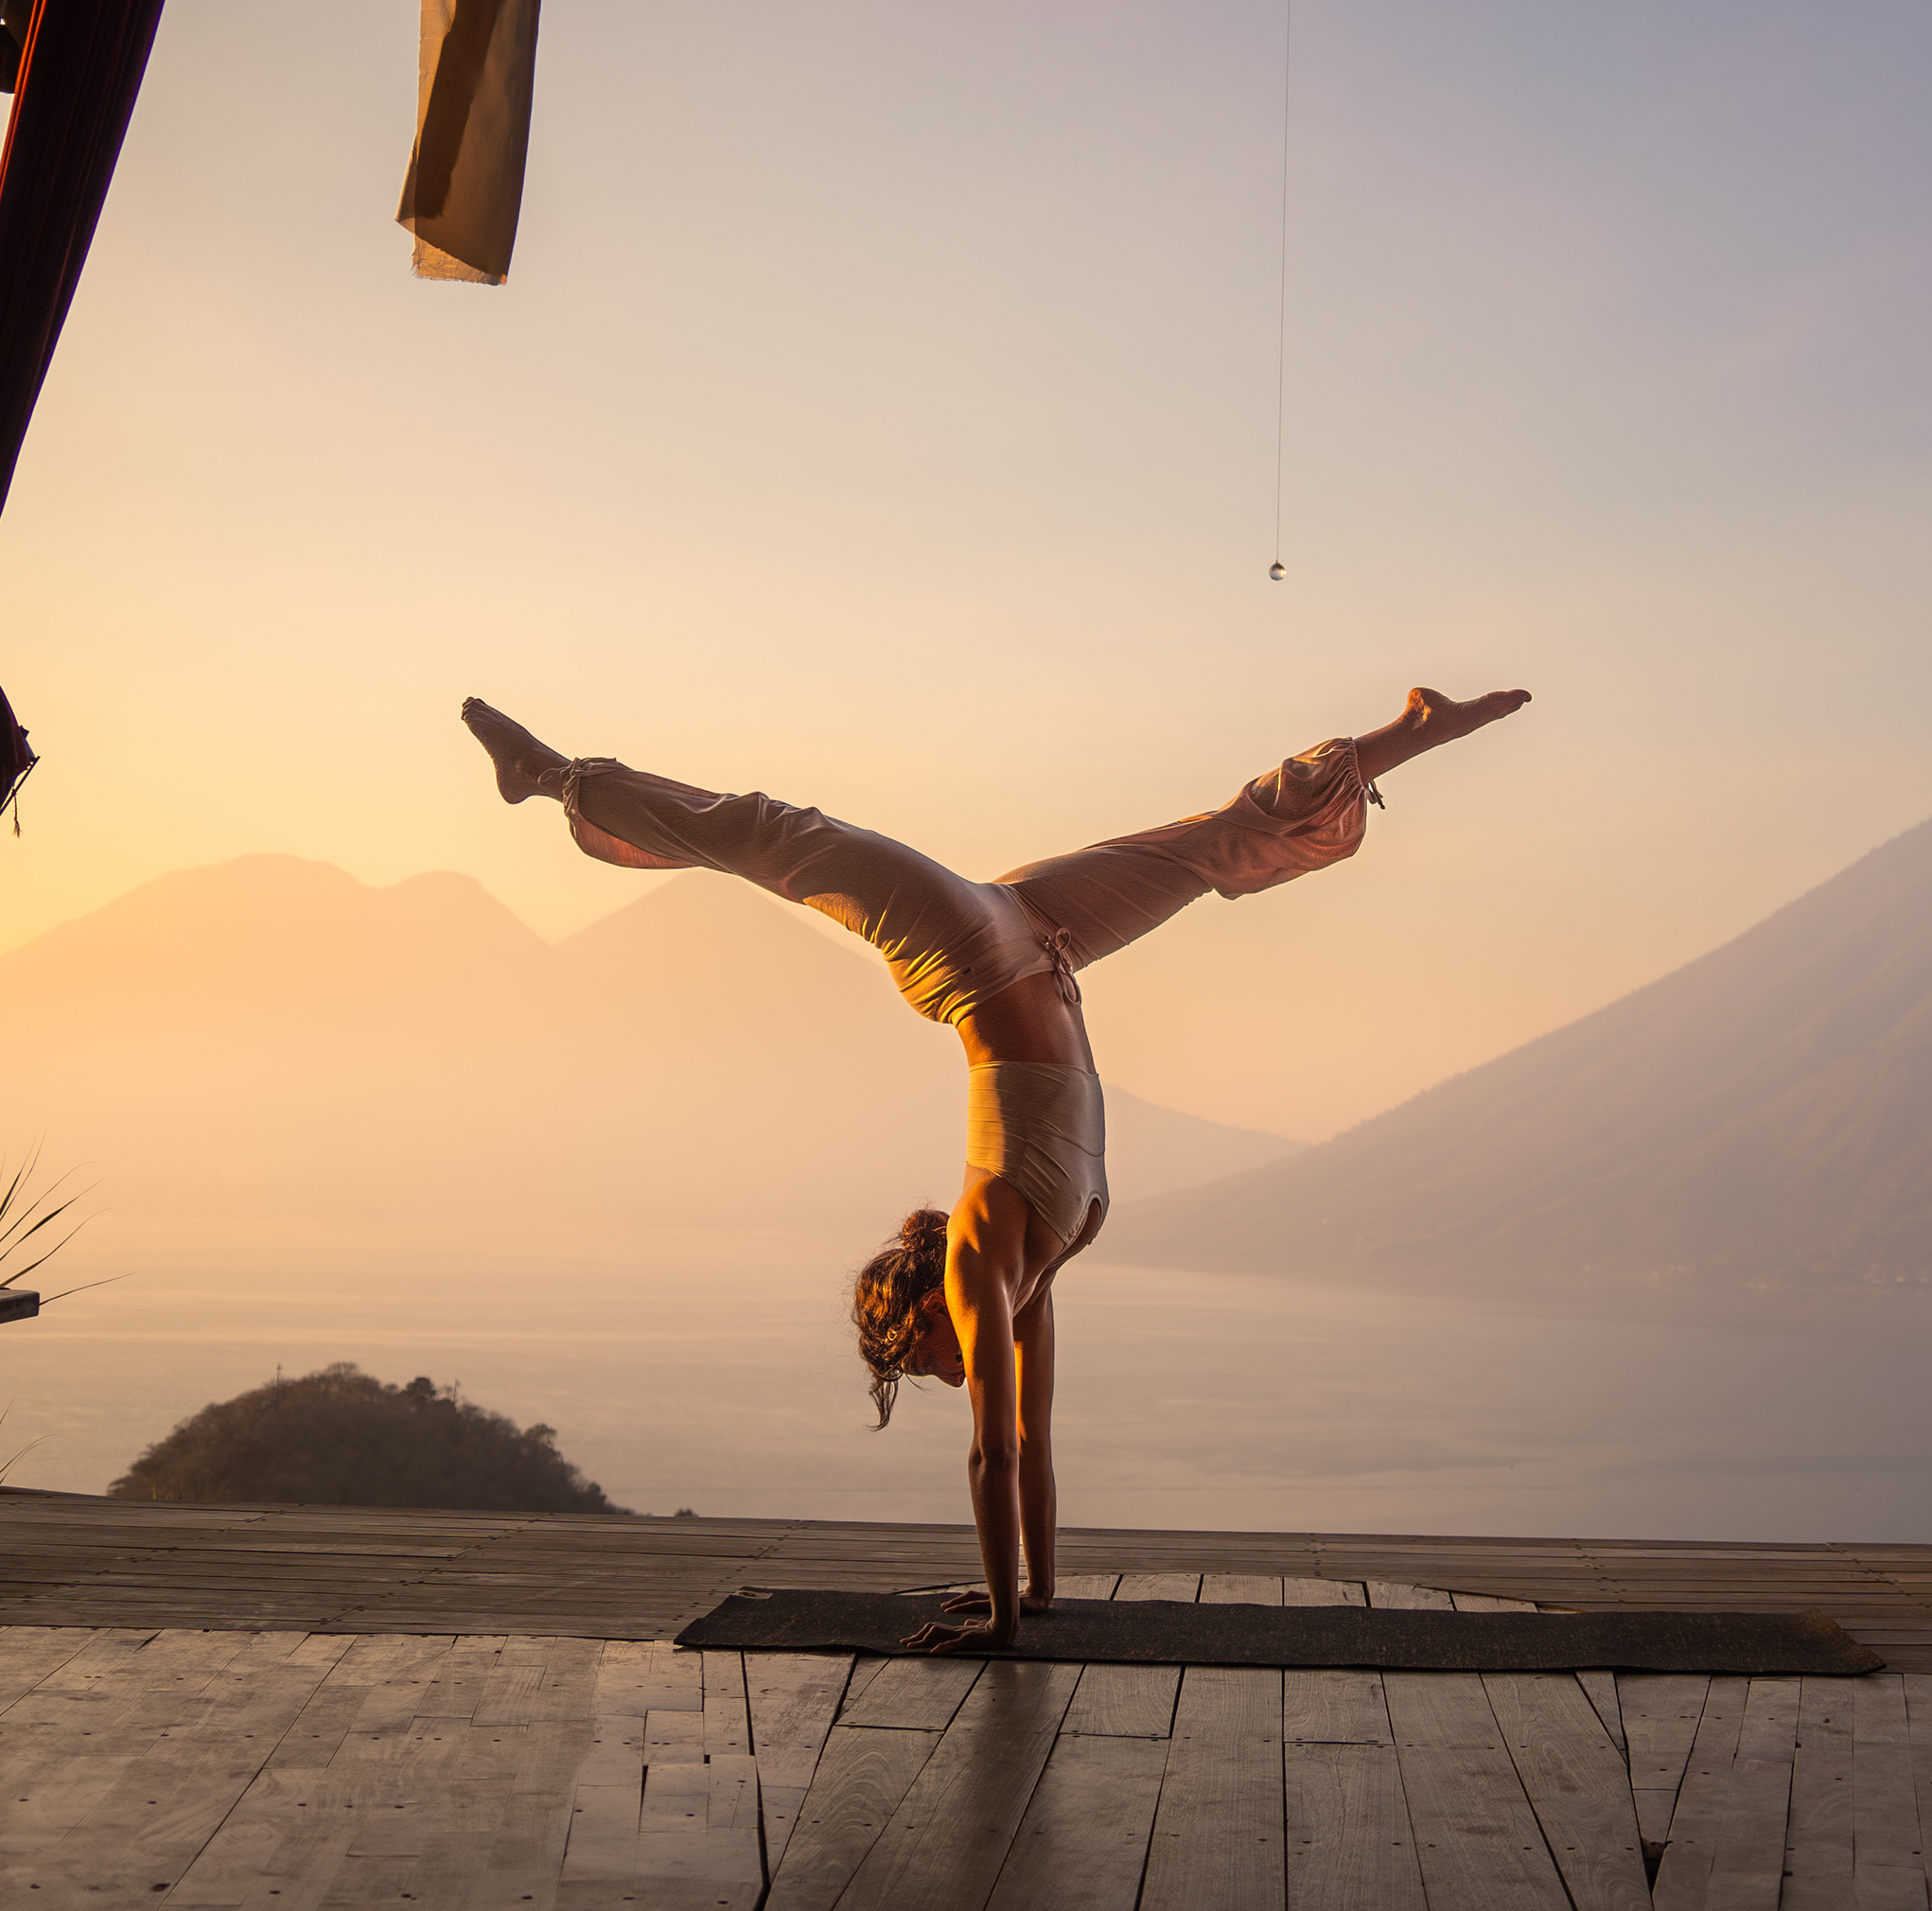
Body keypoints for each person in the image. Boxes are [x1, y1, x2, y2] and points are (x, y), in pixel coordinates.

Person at [459, 683, 1530, 1650]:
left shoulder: (982, 1258)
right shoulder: (1029, 1280)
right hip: (1042, 938)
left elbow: (992, 1462)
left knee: (778, 836)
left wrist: (1001, 1618)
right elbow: (1029, 1446)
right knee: (1215, 846)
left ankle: (554, 776)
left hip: (970, 952)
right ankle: (1406, 736)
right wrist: (1038, 1597)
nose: (951, 1373)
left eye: (927, 1365)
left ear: (920, 1313)